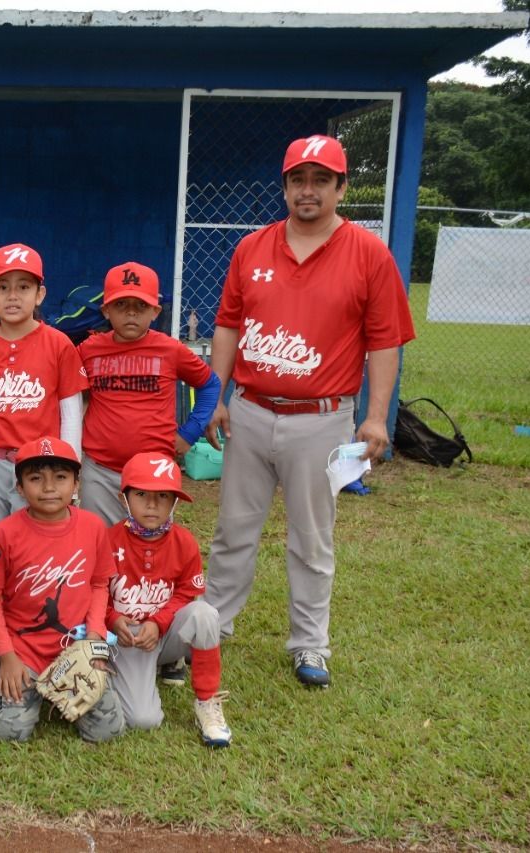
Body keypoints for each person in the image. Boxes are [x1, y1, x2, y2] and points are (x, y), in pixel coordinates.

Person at [202, 134, 416, 689]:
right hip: (249, 409)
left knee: (312, 538)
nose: (308, 189)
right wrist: (216, 397)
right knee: (233, 532)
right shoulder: (253, 247)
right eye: (298, 178)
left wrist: (374, 416)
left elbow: (385, 340)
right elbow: (228, 324)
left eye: (322, 179)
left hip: (322, 417)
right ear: (285, 186)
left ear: (342, 187)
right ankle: (209, 631)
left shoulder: (368, 253)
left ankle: (309, 645)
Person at [0, 243, 87, 676]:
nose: (13, 296)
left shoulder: (58, 344)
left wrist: (70, 469)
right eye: (3, 287)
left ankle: (27, 629)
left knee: (33, 550)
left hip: (40, 466)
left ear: (40, 294)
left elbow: (70, 409)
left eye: (23, 287)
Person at [0, 436, 125, 744]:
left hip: (75, 649)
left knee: (107, 731)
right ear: (19, 487)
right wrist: (6, 657)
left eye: (60, 477)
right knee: (10, 732)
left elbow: (99, 584)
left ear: (76, 484)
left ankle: (56, 691)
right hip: (24, 651)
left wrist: (95, 639)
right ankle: (29, 686)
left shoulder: (93, 527)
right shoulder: (3, 534)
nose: (48, 487)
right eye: (35, 478)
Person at [78, 261, 221, 528]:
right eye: (121, 305)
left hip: (154, 470)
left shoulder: (169, 349)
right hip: (100, 469)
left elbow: (210, 384)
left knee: (151, 543)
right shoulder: (89, 350)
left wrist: (190, 432)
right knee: (97, 542)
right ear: (106, 310)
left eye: (140, 306)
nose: (131, 313)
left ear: (155, 311)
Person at [106, 452, 231, 748]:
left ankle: (207, 701)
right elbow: (93, 593)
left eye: (163, 495)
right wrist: (111, 619)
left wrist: (160, 622)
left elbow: (188, 592)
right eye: (141, 494)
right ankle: (134, 672)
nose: (152, 504)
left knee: (204, 614)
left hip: (164, 632)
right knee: (143, 720)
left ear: (175, 501)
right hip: (128, 640)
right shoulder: (108, 539)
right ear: (124, 498)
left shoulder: (184, 541)